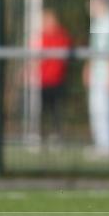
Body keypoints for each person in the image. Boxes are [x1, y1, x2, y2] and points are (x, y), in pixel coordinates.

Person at [85, 0, 109, 154]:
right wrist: (88, 67)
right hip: (97, 72)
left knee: (104, 109)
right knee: (99, 108)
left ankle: (105, 145)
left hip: (105, 73)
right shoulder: (98, 22)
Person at [36, 9, 72, 146]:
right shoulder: (42, 37)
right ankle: (40, 134)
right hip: (43, 80)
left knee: (55, 109)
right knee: (42, 108)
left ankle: (57, 134)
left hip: (57, 79)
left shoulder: (61, 35)